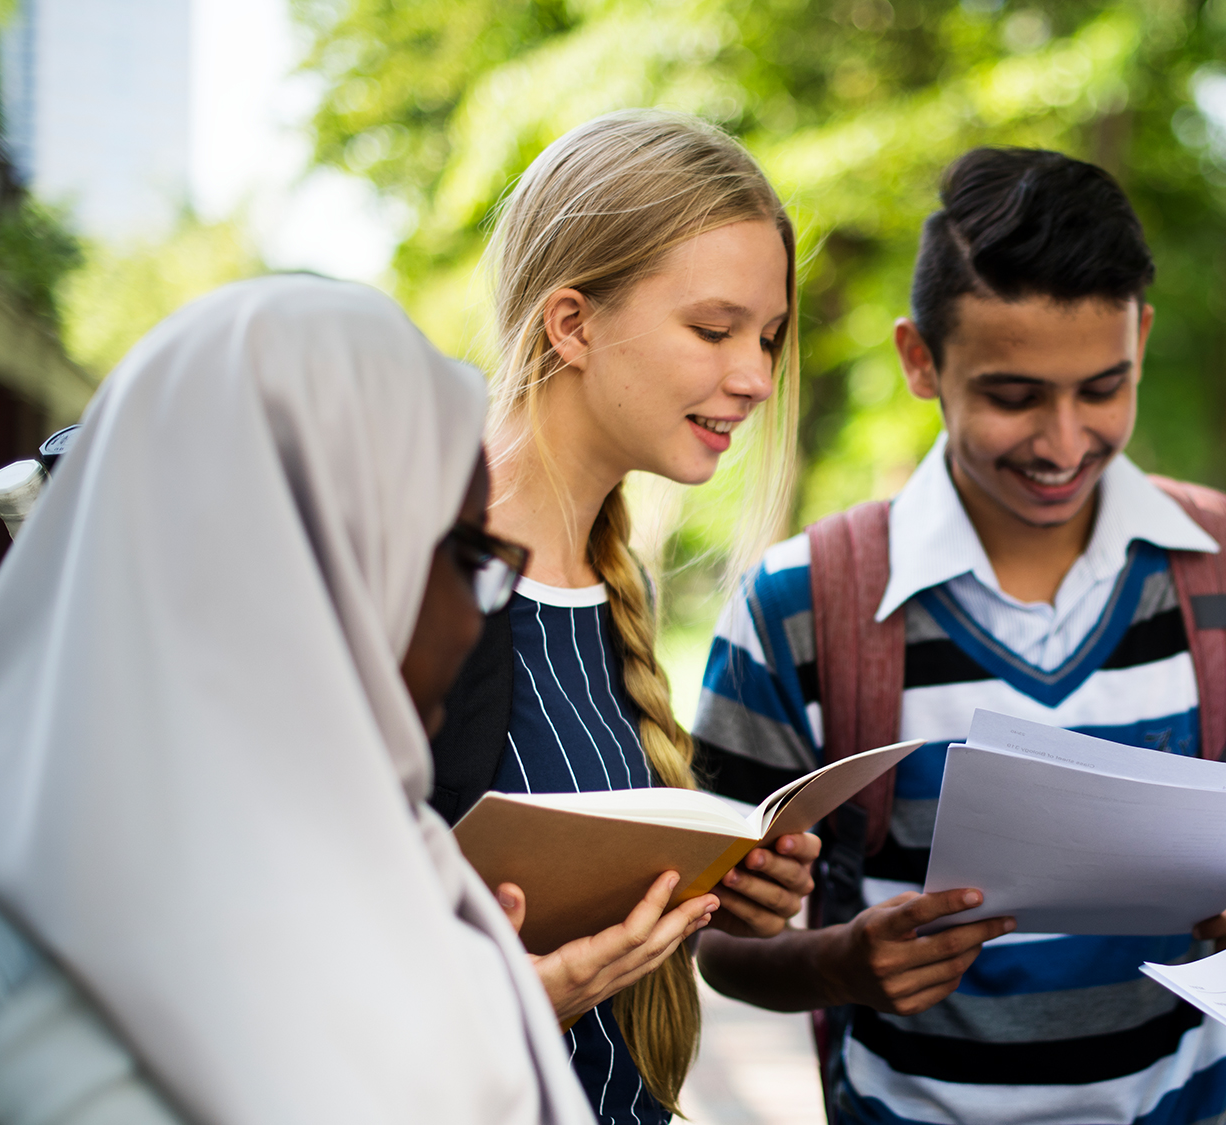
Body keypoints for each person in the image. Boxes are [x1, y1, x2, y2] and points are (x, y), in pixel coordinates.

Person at [691, 147, 1226, 1125]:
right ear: (919, 360)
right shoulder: (796, 604)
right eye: (1012, 396)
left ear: (1142, 339)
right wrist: (840, 962)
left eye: (1102, 388)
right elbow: (716, 940)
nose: (1060, 442)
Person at [0, 274, 600, 1123]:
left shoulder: (386, 861)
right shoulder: (42, 1019)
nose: (480, 620)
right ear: (315, 559)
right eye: (469, 555)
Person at [421, 109, 817, 1124]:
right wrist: (531, 1004)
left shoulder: (609, 590)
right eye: (713, 329)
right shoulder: (409, 580)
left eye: (767, 337)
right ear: (571, 323)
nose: (756, 379)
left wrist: (719, 899)